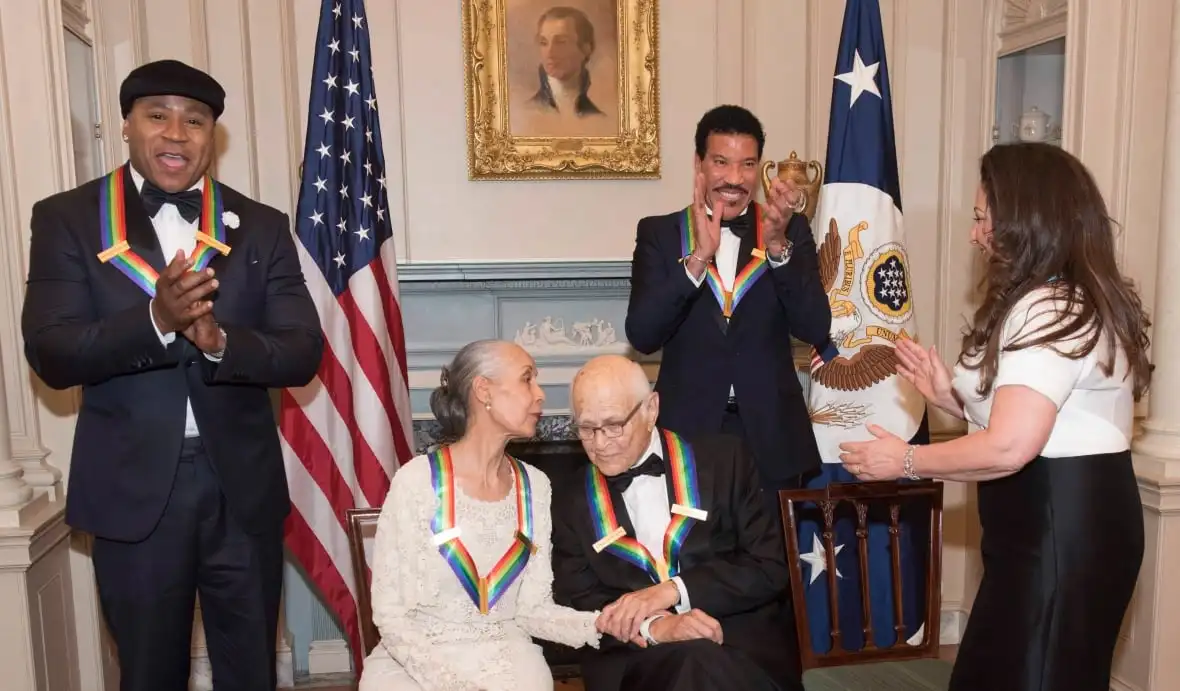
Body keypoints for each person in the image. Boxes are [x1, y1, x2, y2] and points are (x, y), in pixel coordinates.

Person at [20, 59, 324, 690]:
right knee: (149, 675)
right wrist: (155, 320)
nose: (176, 134)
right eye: (157, 116)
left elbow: (301, 353)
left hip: (241, 492)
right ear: (127, 126)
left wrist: (221, 343)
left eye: (195, 120)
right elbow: (50, 351)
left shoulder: (261, 226)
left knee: (251, 674)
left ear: (213, 134)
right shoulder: (68, 219)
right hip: (132, 493)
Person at [838, 142, 1151, 691]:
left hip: (1056, 531)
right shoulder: (1071, 296)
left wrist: (905, 459)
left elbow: (1011, 446)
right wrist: (948, 394)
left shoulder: (1047, 308)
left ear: (1024, 221)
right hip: (1065, 526)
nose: (974, 234)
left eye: (983, 218)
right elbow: (1039, 415)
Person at [359, 340, 602, 691]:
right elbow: (391, 615)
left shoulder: (536, 486)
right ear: (483, 389)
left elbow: (532, 609)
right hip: (414, 660)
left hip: (507, 654)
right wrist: (453, 685)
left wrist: (601, 624)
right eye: (527, 379)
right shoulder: (417, 481)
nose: (540, 395)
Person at [550, 354, 803, 691]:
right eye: (585, 428)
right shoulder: (571, 498)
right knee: (692, 663)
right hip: (635, 659)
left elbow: (768, 567)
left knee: (701, 663)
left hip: (736, 646)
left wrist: (674, 591)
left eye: (613, 425)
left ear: (650, 409)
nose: (598, 443)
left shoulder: (724, 460)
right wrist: (655, 627)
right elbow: (577, 599)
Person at [624, 104, 833, 509]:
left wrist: (777, 247)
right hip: (688, 438)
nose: (734, 179)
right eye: (721, 162)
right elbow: (642, 335)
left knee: (774, 569)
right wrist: (698, 259)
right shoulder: (660, 233)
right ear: (699, 164)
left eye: (747, 164)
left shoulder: (791, 231)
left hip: (772, 439)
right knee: (695, 568)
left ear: (760, 170)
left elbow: (815, 328)